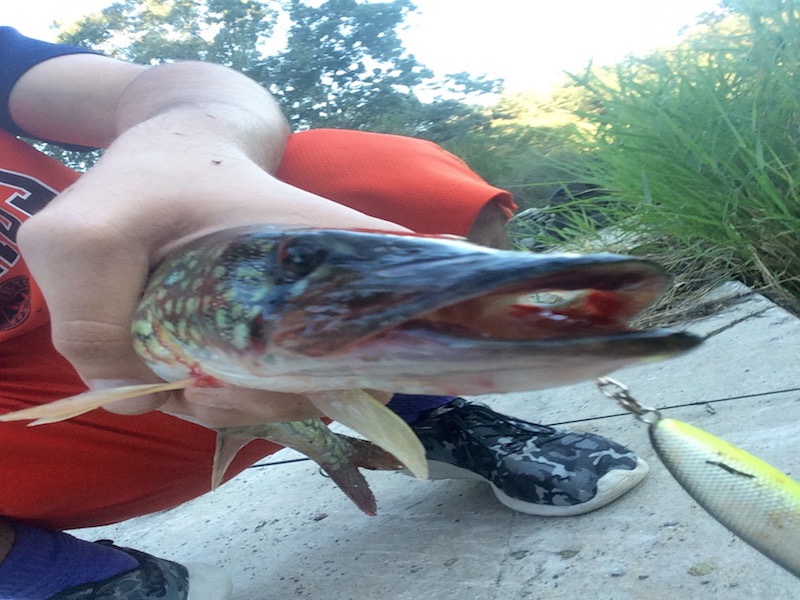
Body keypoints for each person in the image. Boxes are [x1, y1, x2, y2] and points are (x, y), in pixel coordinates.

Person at [0, 27, 648, 599]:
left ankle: (427, 411)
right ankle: (53, 577)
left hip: (200, 315)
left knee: (352, 166)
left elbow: (177, 87)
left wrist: (187, 138)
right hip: (53, 440)